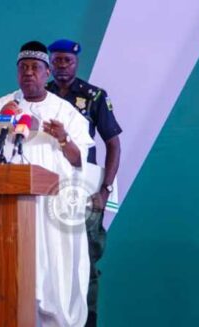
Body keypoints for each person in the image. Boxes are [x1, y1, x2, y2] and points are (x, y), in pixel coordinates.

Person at [0, 41, 95, 327]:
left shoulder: (66, 111)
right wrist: (0, 120)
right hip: (10, 210)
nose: (29, 73)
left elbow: (79, 160)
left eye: (35, 68)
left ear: (47, 73)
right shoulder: (0, 106)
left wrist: (63, 138)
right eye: (23, 68)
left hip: (51, 211)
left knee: (54, 278)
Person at [46, 39, 123, 327]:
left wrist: (105, 189)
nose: (60, 66)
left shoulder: (94, 96)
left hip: (85, 189)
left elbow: (113, 145)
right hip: (49, 189)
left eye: (66, 61)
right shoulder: (43, 95)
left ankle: (88, 320)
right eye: (55, 61)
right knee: (51, 258)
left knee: (87, 259)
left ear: (76, 62)